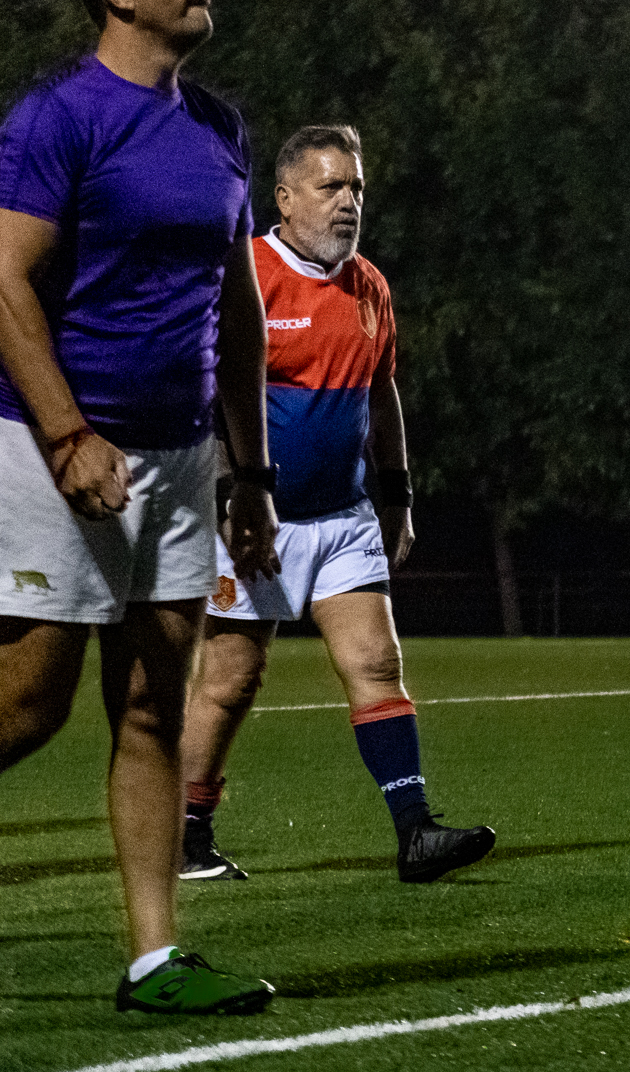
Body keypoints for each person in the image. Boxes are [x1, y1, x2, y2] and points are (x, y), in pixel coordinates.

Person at [0, 0, 279, 1013]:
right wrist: (68, 432)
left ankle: (157, 960)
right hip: (51, 448)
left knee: (157, 708)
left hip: (177, 461)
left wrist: (247, 469)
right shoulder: (57, 118)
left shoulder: (217, 126)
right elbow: (5, 278)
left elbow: (238, 306)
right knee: (29, 704)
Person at [178, 126, 496, 885]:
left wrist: (397, 493)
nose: (349, 201)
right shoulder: (246, 274)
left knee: (377, 662)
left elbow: (380, 393)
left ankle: (416, 831)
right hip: (254, 516)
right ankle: (186, 834)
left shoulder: (369, 286)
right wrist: (231, 493)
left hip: (344, 515)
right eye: (331, 187)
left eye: (356, 187)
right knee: (232, 678)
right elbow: (207, 392)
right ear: (284, 199)